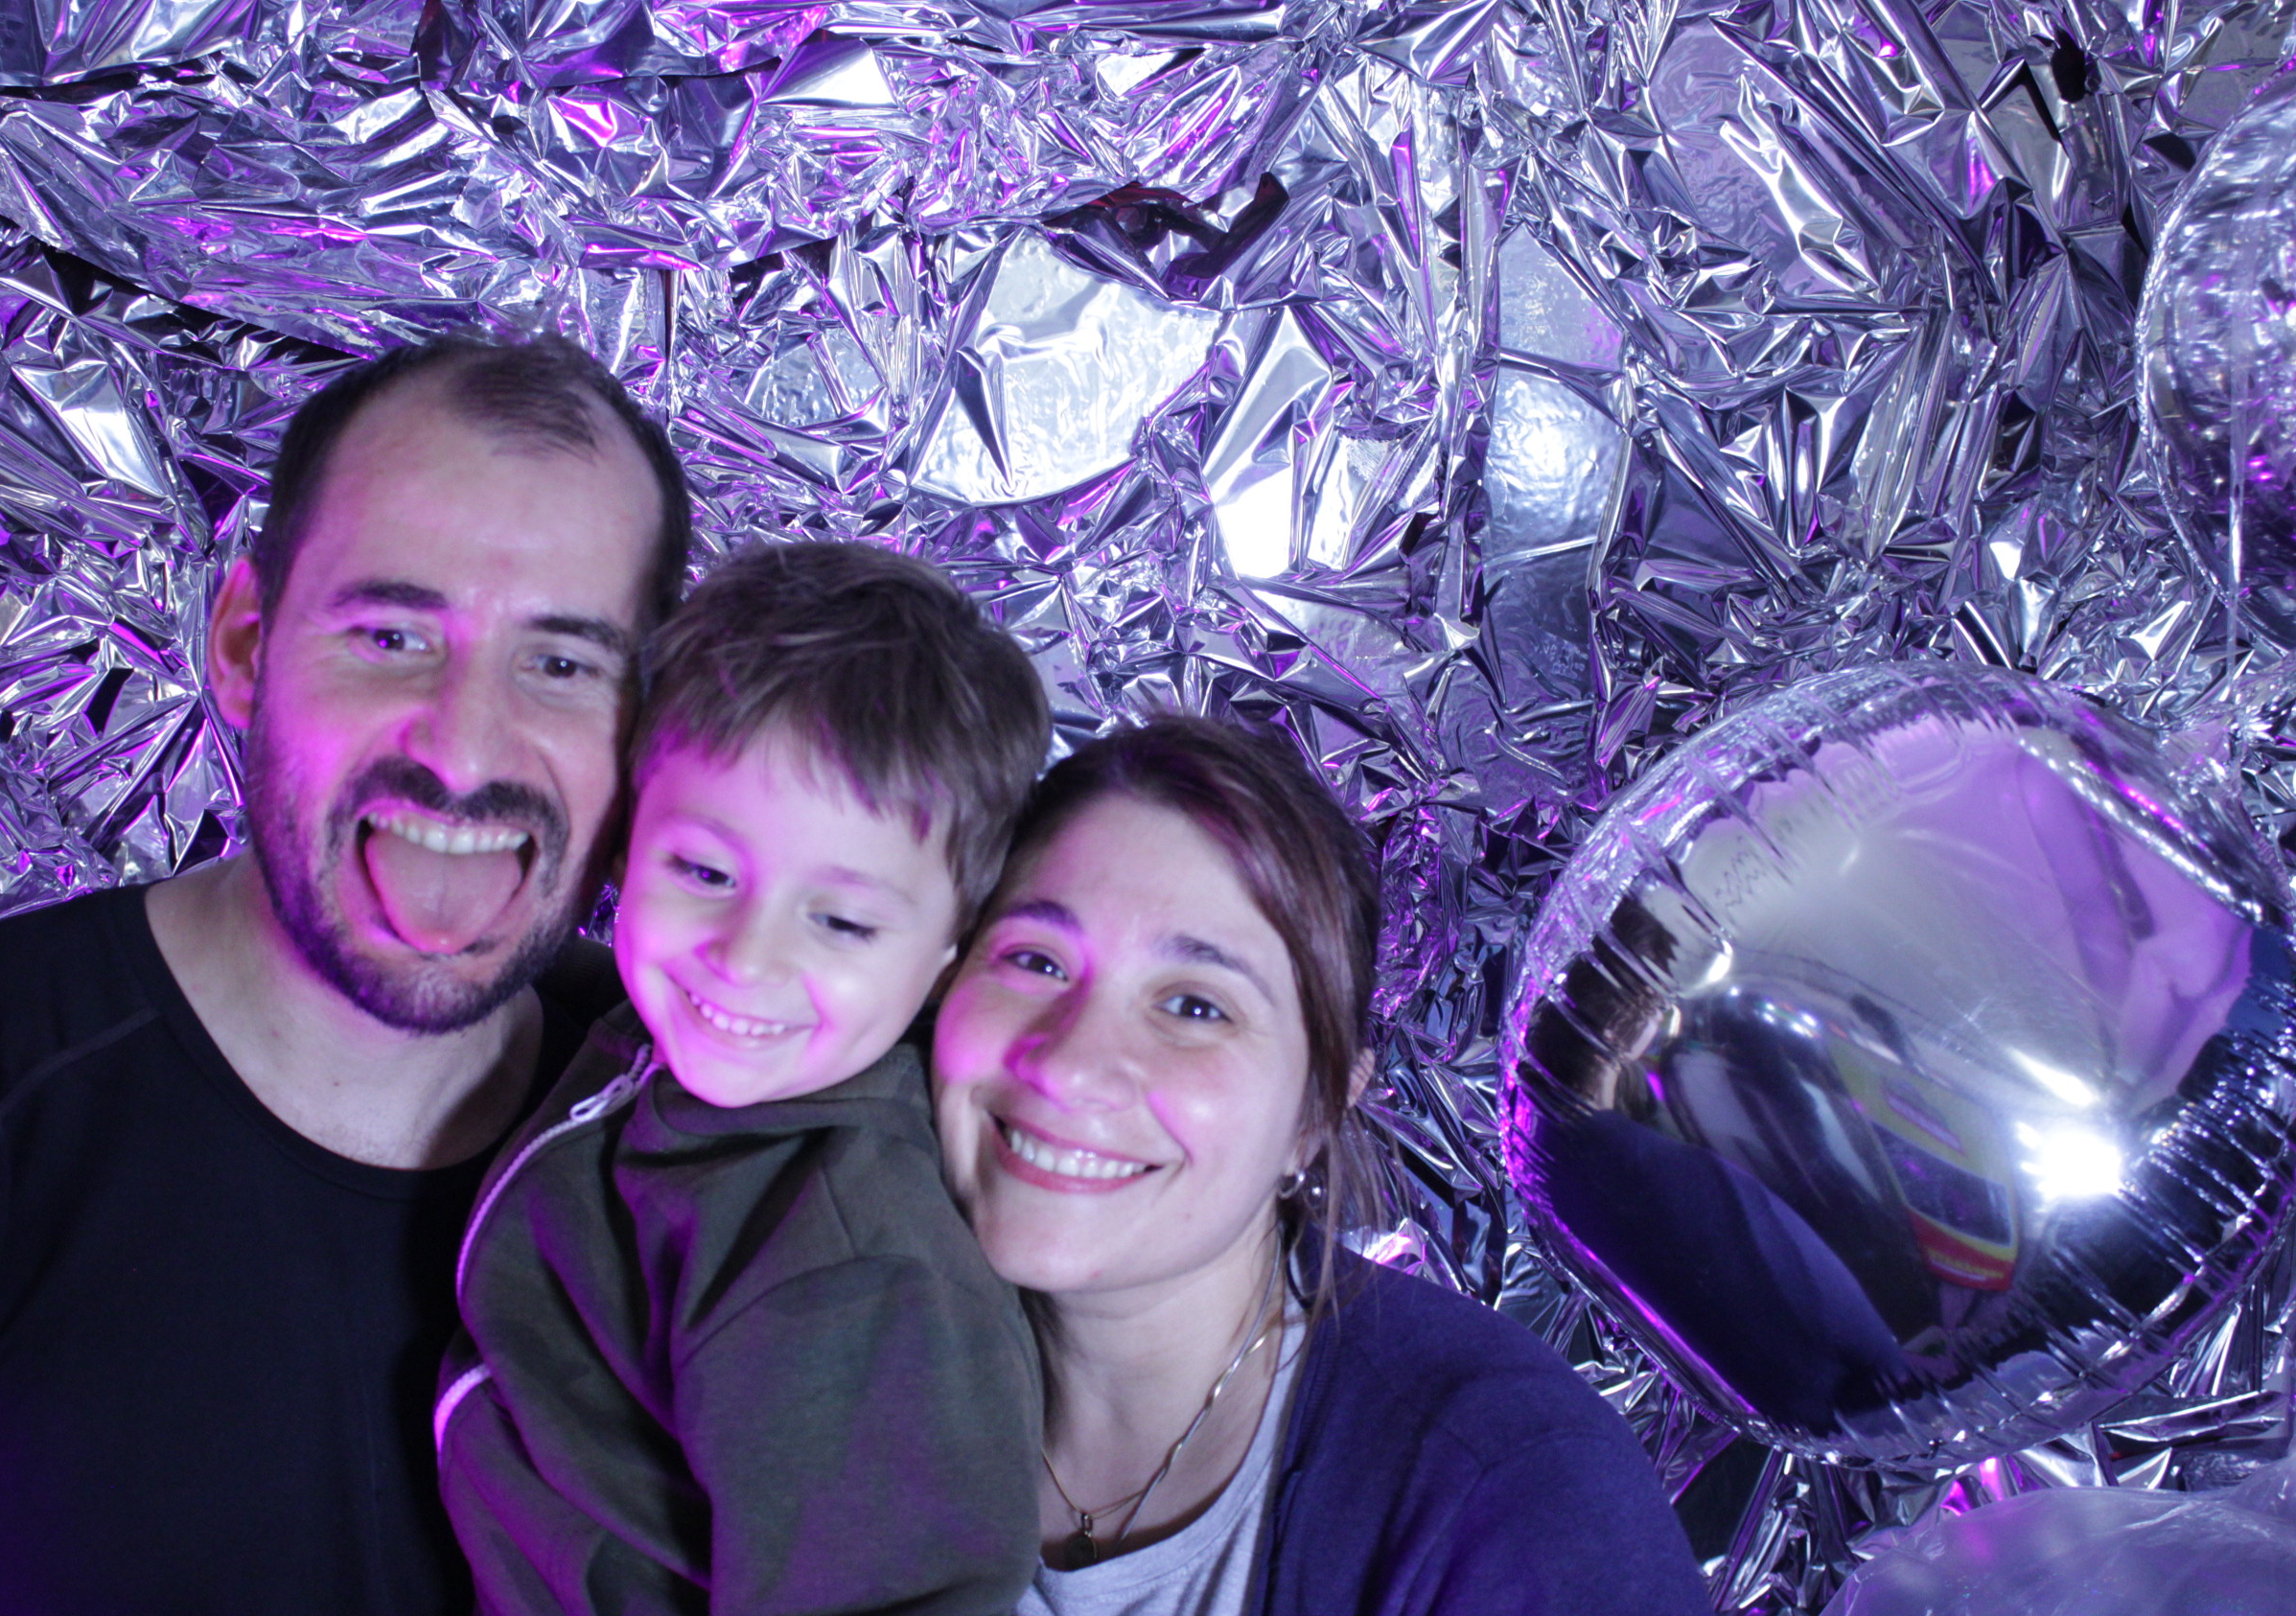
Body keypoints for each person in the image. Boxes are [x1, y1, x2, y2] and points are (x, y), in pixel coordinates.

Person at [0, 334, 690, 1616]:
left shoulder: (723, 1155)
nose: (464, 751)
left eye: (562, 664)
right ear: (241, 645)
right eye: (391, 634)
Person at [930, 714, 1715, 1615]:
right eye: (1034, 960)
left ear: (1315, 1111)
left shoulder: (1521, 1497)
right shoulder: (834, 1337)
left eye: (1195, 1007)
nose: (1070, 1066)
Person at [437, 540, 1052, 1615]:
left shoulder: (851, 1277)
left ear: (945, 956)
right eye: (705, 871)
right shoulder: (676, 1048)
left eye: (843, 922)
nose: (747, 957)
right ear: (628, 843)